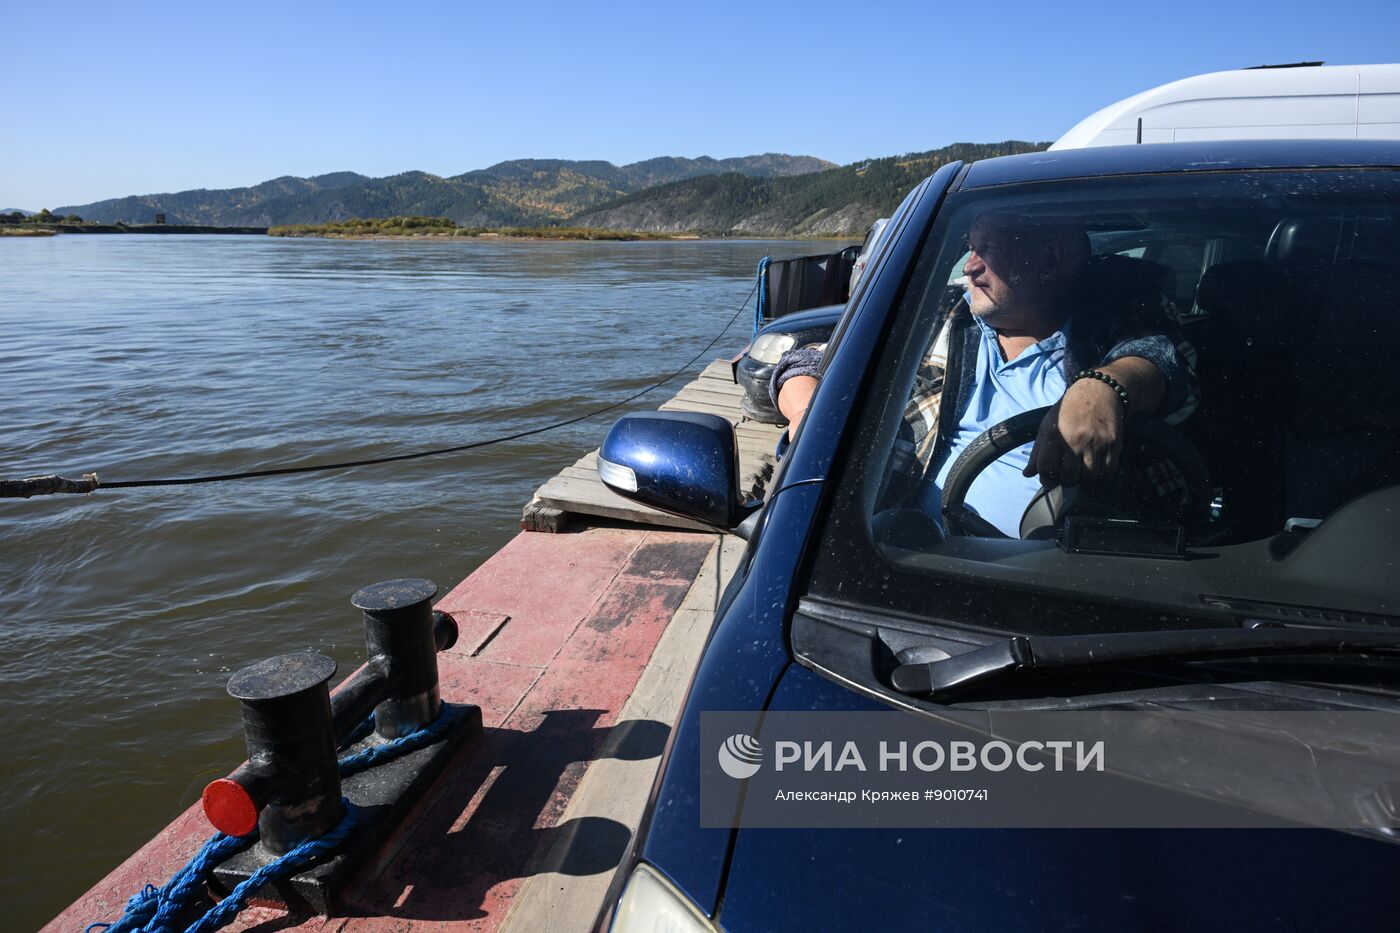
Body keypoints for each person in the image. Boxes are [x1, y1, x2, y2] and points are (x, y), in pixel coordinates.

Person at [771, 210, 1197, 537]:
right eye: (970, 248)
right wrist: (809, 412)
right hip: (895, 554)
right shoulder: (939, 314)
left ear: (1050, 260)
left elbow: (1164, 362)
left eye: (987, 250)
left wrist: (1104, 388)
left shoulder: (1117, 321)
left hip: (1070, 578)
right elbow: (807, 361)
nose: (968, 267)